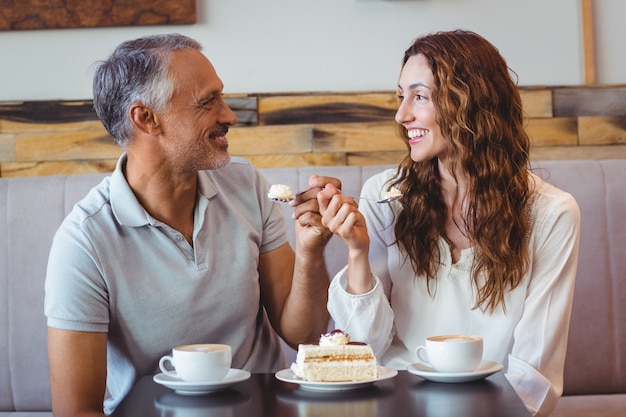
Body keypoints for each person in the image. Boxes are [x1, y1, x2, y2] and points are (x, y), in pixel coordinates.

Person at [44, 33, 336, 416]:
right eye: (207, 102)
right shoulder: (84, 241)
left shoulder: (245, 184)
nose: (229, 115)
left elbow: (307, 336)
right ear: (146, 118)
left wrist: (311, 251)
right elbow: (77, 411)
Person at [317, 30, 580, 417]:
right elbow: (363, 348)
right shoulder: (385, 197)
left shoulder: (551, 214)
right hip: (395, 406)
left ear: (470, 103)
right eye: (401, 96)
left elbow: (534, 376)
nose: (401, 114)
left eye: (419, 96)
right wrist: (357, 252)